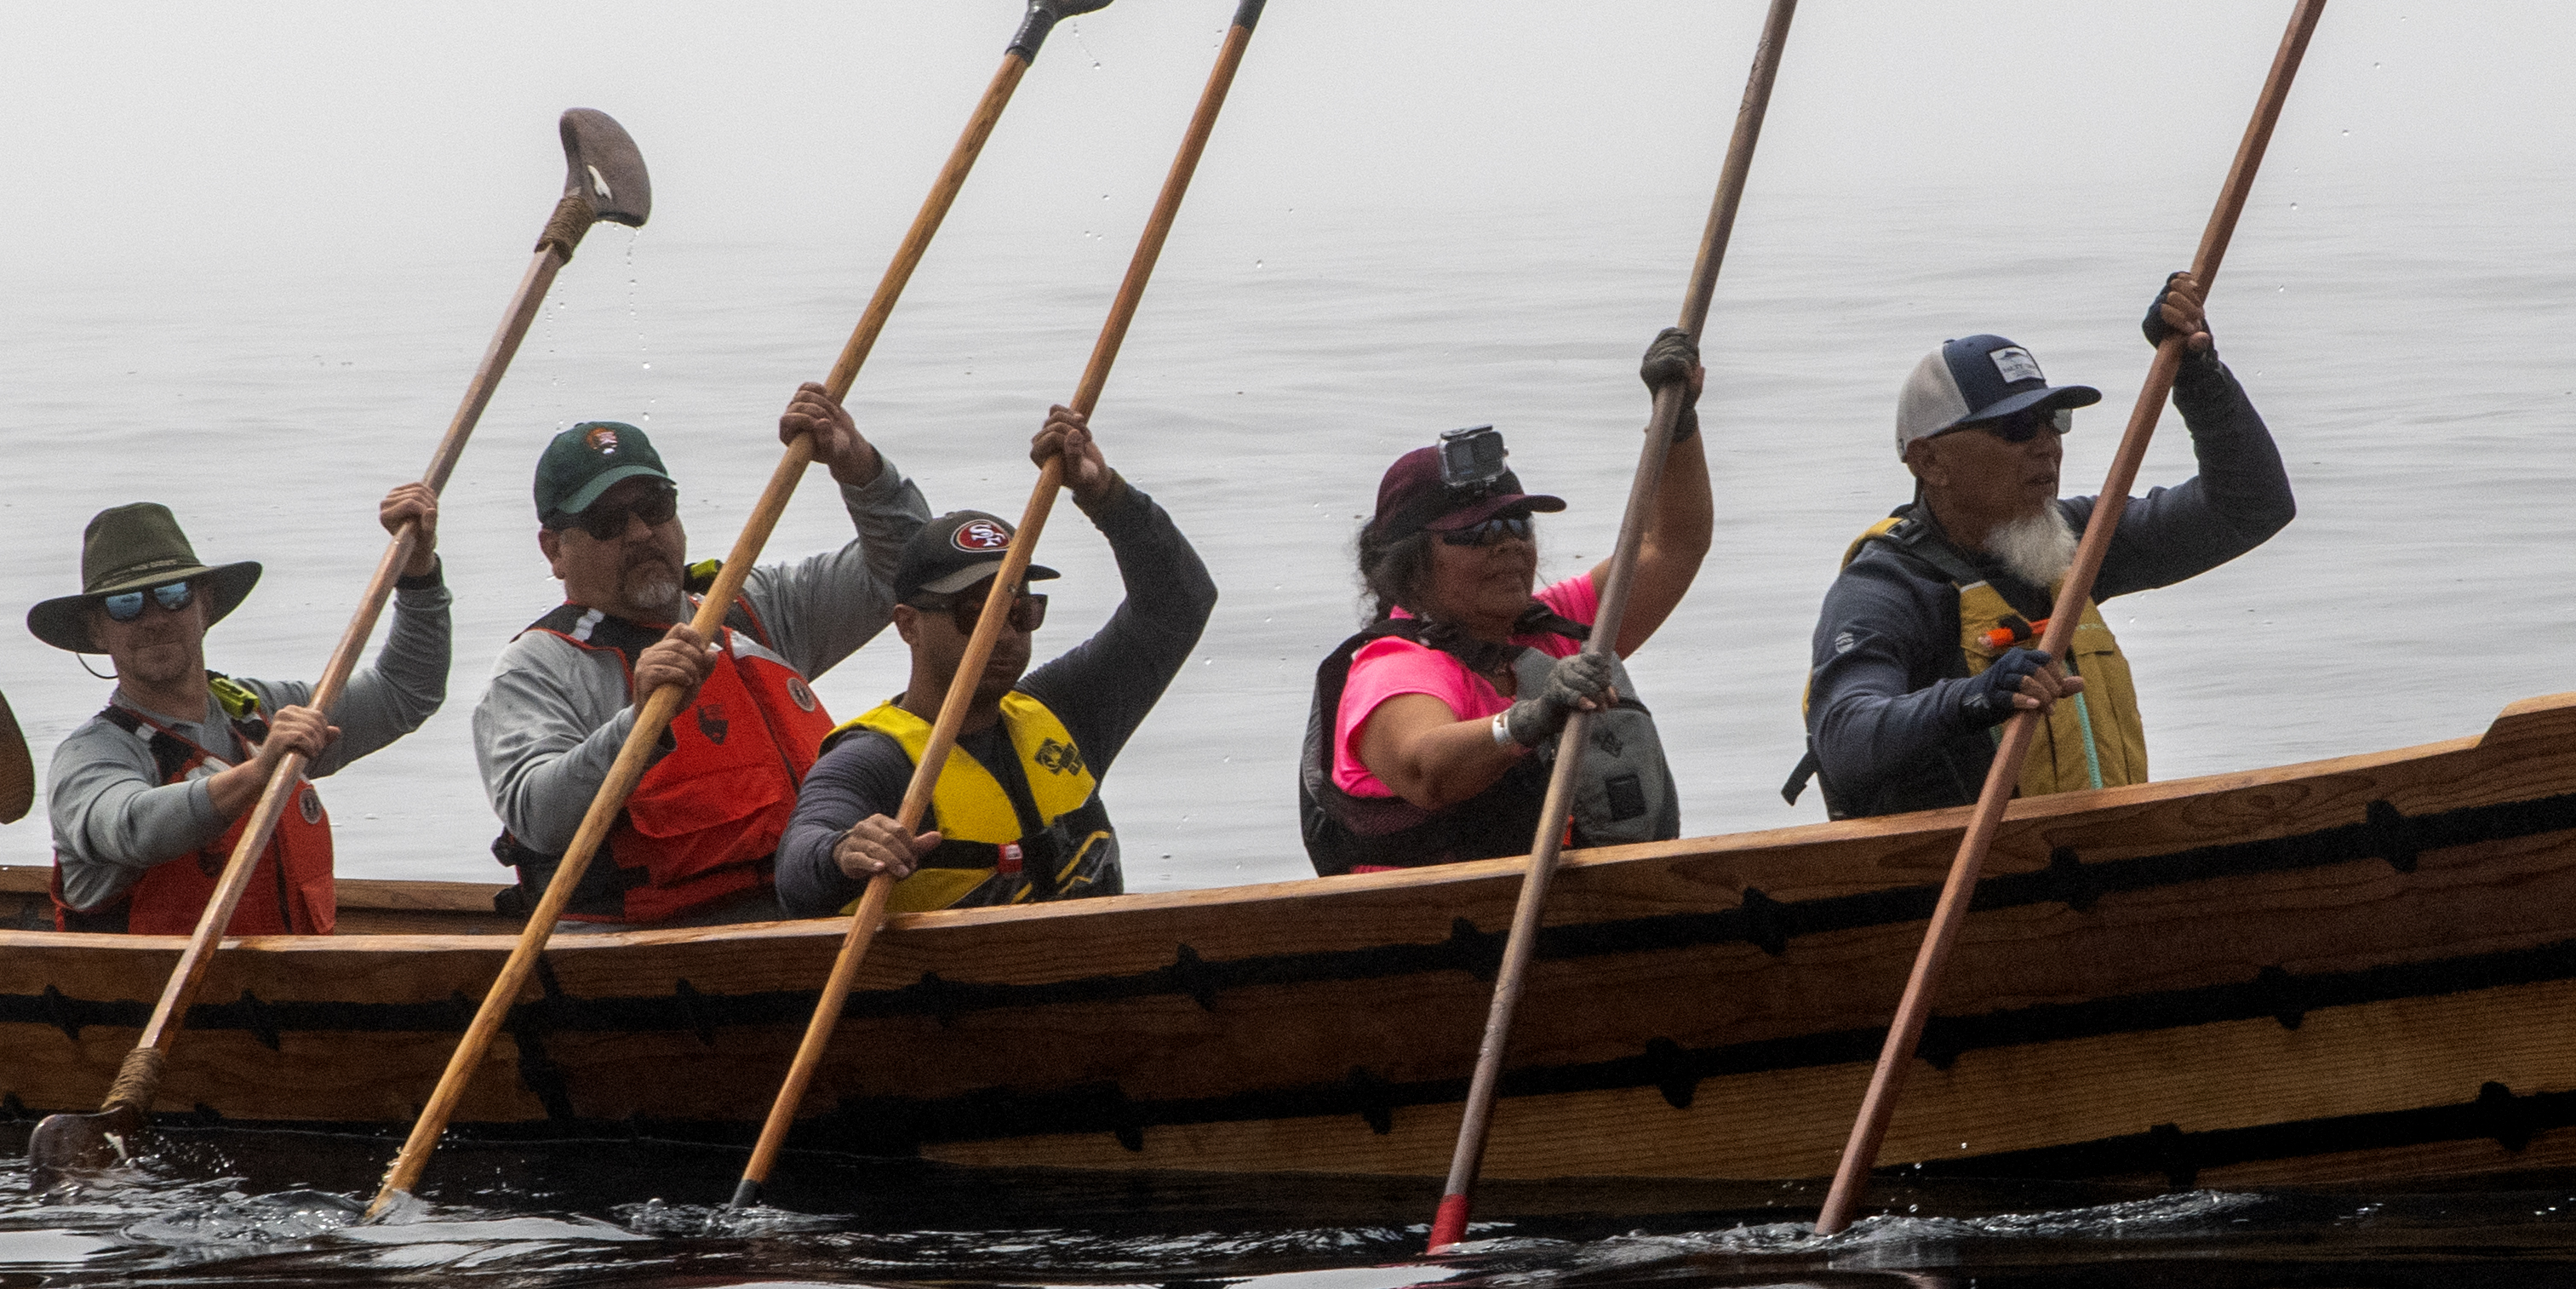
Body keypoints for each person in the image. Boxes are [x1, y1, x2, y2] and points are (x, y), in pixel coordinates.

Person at [1800, 272, 2292, 818]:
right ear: (1929, 462)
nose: (2046, 446)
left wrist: (2198, 374)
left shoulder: (2076, 537)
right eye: (2014, 428)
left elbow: (2251, 507)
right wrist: (1976, 695)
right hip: (1962, 881)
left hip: (2095, 866)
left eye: (2052, 420)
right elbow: (1844, 738)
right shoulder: (1886, 589)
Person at [469, 385, 928, 925]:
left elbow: (908, 574)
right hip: (649, 947)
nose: (640, 532)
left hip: (808, 908)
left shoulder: (750, 608)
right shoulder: (537, 668)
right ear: (554, 550)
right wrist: (638, 724)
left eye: (654, 507)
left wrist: (860, 469)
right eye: (607, 522)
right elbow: (536, 816)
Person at [773, 405, 1221, 918]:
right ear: (908, 624)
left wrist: (1105, 495)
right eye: (975, 615)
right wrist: (840, 852)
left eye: (1021, 613)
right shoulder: (870, 762)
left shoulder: (1065, 712)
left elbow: (1179, 606)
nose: (1004, 636)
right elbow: (796, 872)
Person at [1297, 330, 1708, 875]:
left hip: (1575, 917)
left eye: (1517, 522)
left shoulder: (1555, 627)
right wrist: (1533, 717)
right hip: (1440, 932)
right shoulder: (1394, 668)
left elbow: (1672, 545)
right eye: (1476, 532)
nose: (1510, 542)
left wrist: (1676, 425)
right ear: (1411, 563)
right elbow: (1427, 769)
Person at [31, 486, 449, 936]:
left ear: (204, 604)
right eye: (125, 604)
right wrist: (256, 774)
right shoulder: (90, 757)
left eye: (172, 594)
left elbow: (405, 692)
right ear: (97, 631)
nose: (154, 618)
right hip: (150, 998)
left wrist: (419, 573)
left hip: (293, 987)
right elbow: (131, 829)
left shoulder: (262, 712)